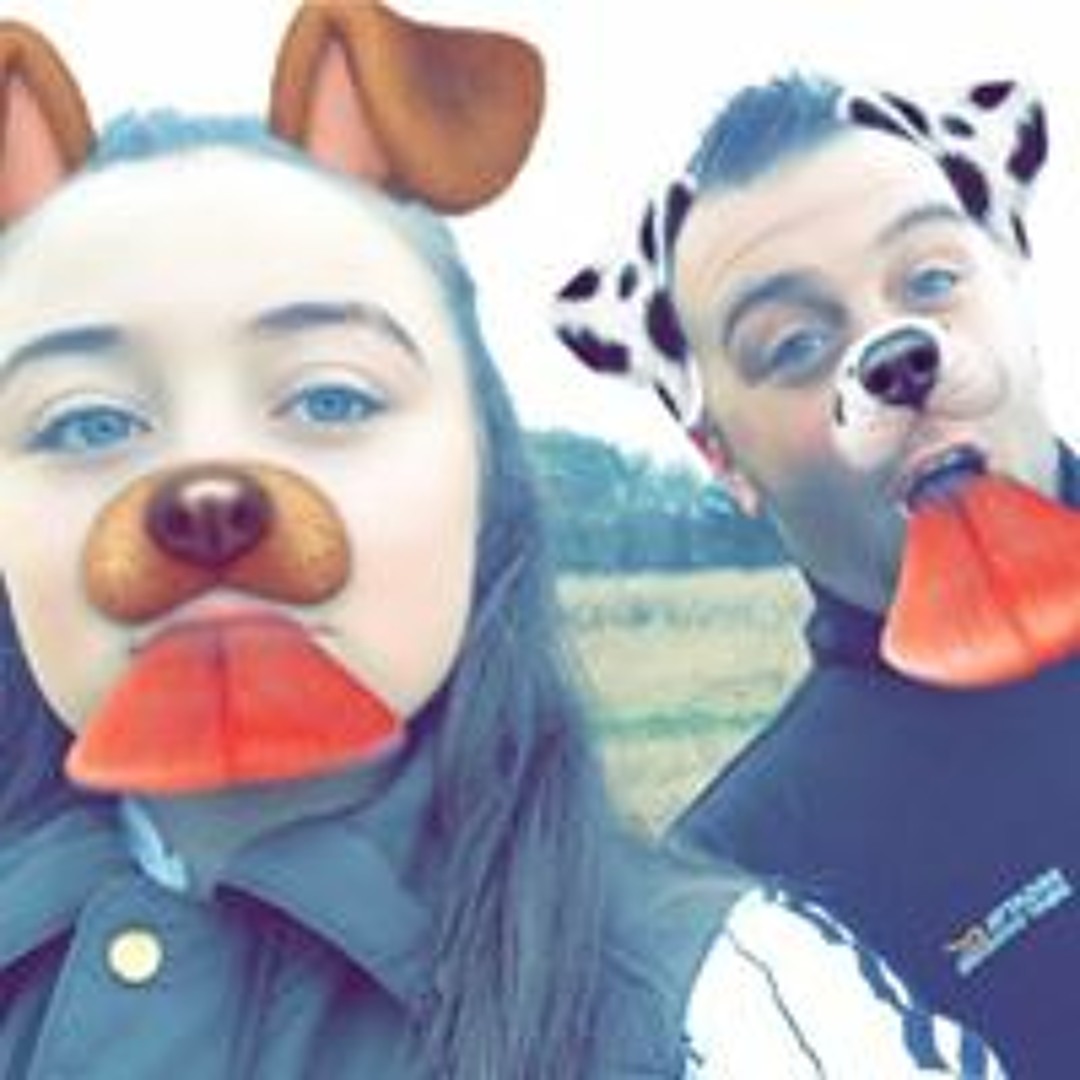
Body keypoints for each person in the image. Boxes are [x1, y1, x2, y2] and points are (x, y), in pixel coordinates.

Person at [0, 9, 1004, 1076]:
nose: (204, 489)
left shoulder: (729, 1013)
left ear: (481, 469)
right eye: (87, 423)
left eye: (331, 398)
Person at [554, 69, 1079, 1077]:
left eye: (932, 280)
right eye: (794, 344)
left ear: (1010, 285)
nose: (891, 350)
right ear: (722, 459)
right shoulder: (745, 904)